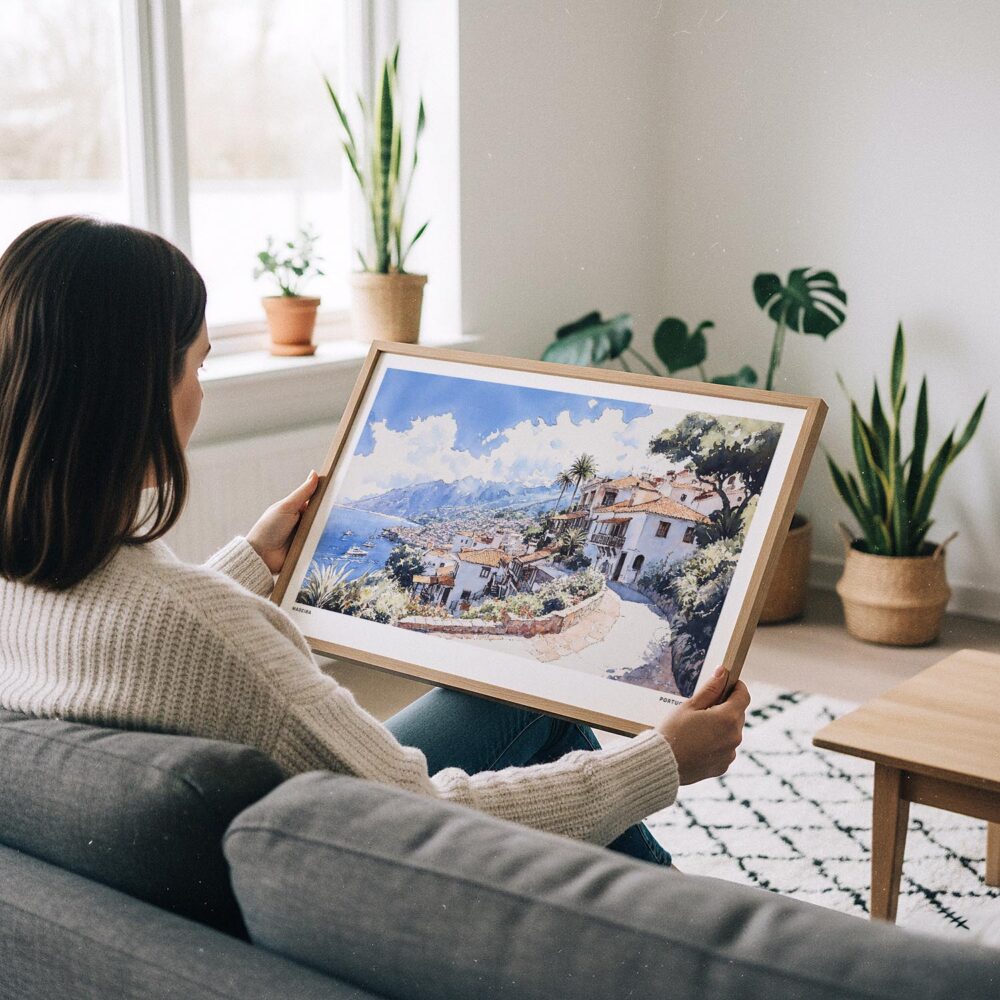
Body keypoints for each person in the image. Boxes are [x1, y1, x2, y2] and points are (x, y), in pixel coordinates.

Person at [0, 216, 749, 867]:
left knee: (505, 703)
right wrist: (660, 761)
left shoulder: (27, 581)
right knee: (547, 722)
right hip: (361, 861)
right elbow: (419, 817)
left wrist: (249, 565)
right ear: (135, 394)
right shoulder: (206, 631)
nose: (203, 391)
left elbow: (138, 636)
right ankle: (693, 935)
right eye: (198, 365)